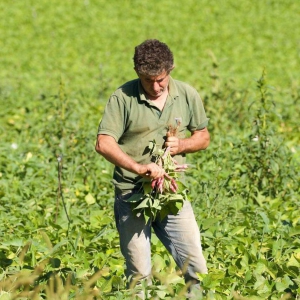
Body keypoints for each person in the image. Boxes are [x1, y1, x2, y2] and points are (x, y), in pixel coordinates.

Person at [95, 39, 210, 295]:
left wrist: (182, 145)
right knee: (139, 274)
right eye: (148, 81)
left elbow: (203, 136)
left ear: (170, 70)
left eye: (161, 79)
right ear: (137, 72)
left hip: (172, 194)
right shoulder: (123, 98)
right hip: (132, 195)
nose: (156, 87)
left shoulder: (187, 94)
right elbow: (104, 143)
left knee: (197, 268)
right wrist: (138, 167)